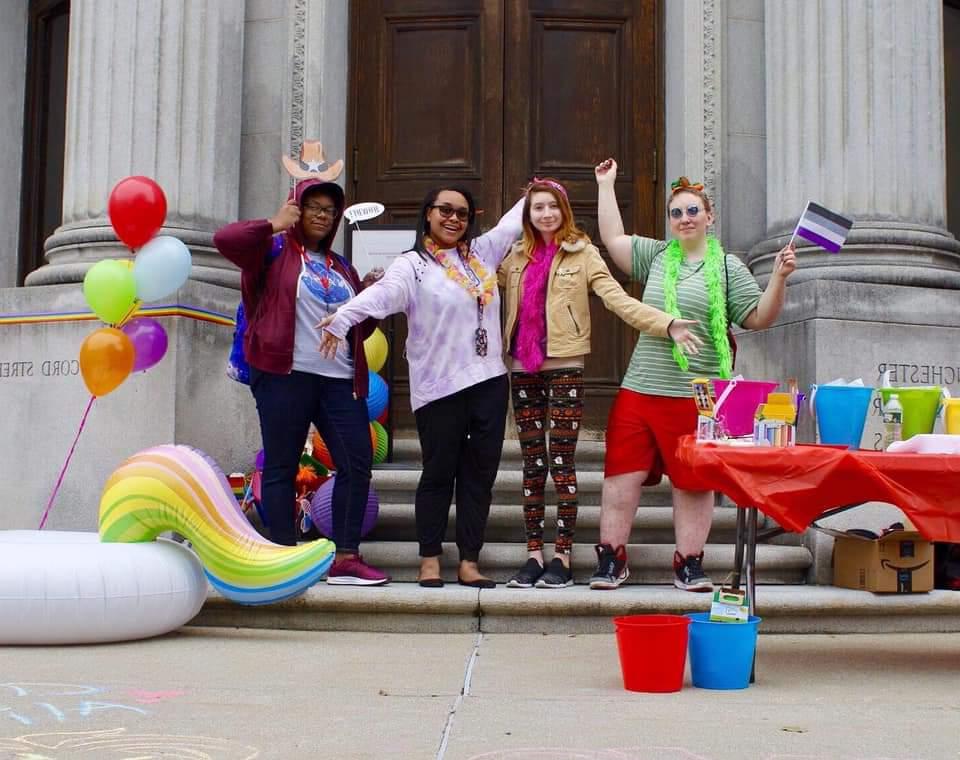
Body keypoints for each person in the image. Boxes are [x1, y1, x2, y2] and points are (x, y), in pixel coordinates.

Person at [589, 160, 797, 591]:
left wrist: (778, 278)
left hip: (698, 396)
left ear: (709, 216)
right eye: (676, 213)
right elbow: (611, 238)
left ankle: (689, 563)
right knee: (620, 477)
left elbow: (758, 317)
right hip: (641, 388)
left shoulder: (728, 268)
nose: (684, 219)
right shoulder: (656, 255)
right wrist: (606, 184)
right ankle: (612, 558)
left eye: (692, 211)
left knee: (693, 483)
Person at [498, 178, 702, 589]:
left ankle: (562, 556)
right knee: (533, 464)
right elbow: (476, 288)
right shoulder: (514, 258)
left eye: (552, 206)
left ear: (565, 210)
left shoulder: (584, 253)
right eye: (537, 207)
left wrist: (666, 324)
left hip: (565, 366)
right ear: (528, 214)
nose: (545, 214)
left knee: (561, 462)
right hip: (523, 367)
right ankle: (533, 554)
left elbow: (619, 301)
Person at [319, 188, 524, 588]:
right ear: (427, 214)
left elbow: (513, 223)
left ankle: (468, 561)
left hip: (488, 382)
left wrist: (540, 189)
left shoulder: (481, 253)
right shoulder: (411, 265)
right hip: (438, 388)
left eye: (463, 213)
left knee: (479, 475)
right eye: (445, 210)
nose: (454, 219)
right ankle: (429, 558)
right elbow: (381, 296)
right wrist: (342, 318)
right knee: (438, 473)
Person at [214, 178, 390, 586]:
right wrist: (274, 223)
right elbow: (226, 239)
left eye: (330, 210)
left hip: (338, 380)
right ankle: (283, 558)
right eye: (313, 207)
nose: (322, 216)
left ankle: (345, 558)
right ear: (296, 209)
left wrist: (370, 295)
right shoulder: (271, 252)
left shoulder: (342, 267)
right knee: (281, 465)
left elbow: (359, 329)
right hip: (284, 375)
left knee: (357, 460)